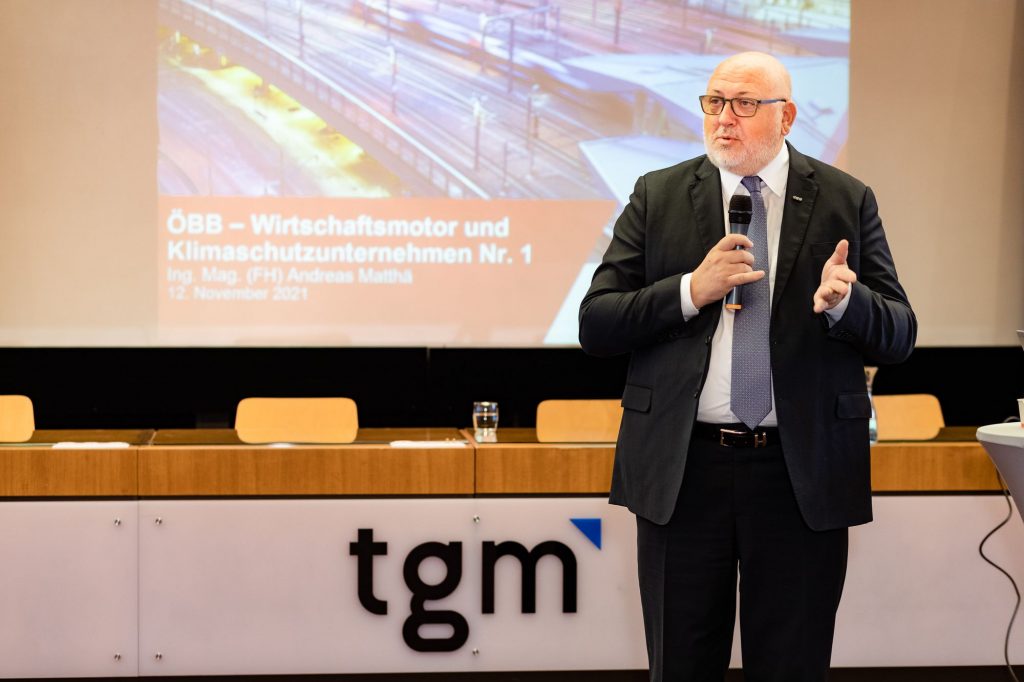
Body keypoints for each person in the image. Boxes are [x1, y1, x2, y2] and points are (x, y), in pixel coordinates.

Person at [578, 52, 916, 682]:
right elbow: (597, 322)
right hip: (685, 471)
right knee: (681, 667)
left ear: (786, 117)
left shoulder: (845, 198)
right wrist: (691, 290)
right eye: (714, 102)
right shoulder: (657, 194)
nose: (723, 118)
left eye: (744, 104)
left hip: (800, 474)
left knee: (792, 667)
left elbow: (900, 334)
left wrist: (849, 305)